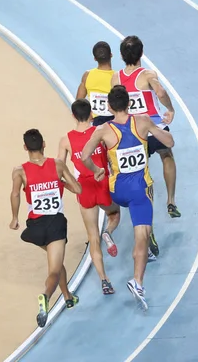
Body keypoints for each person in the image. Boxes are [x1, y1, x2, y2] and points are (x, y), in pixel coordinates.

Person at [81, 85, 174, 311]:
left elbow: (84, 156)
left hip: (117, 191)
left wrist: (96, 170)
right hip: (140, 190)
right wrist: (153, 127)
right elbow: (169, 143)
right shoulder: (142, 121)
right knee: (142, 236)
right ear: (130, 104)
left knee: (118, 214)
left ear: (110, 106)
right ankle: (138, 282)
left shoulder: (102, 130)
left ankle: (110, 227)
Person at [9, 129, 81, 328]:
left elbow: (15, 194)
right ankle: (46, 297)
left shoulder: (19, 171)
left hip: (35, 227)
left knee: (55, 263)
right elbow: (78, 189)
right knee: (54, 271)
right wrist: (61, 183)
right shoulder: (58, 165)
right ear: (44, 144)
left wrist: (15, 218)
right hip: (55, 224)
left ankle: (68, 297)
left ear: (25, 148)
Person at [111, 35, 181, 224]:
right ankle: (171, 200)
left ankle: (147, 224)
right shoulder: (148, 75)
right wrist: (170, 109)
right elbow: (161, 92)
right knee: (167, 155)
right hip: (154, 126)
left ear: (121, 55)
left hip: (134, 131)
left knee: (141, 174)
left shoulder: (116, 77)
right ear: (141, 53)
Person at [58, 99, 121, 295]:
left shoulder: (66, 140)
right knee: (114, 214)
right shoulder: (100, 132)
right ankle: (109, 231)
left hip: (84, 187)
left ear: (73, 116)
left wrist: (71, 186)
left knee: (92, 237)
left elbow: (59, 168)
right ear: (92, 113)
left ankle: (104, 280)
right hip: (103, 182)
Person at [76, 41, 115, 127]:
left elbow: (78, 101)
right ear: (111, 55)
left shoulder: (87, 75)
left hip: (97, 122)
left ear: (95, 58)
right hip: (115, 120)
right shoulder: (117, 76)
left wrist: (88, 115)